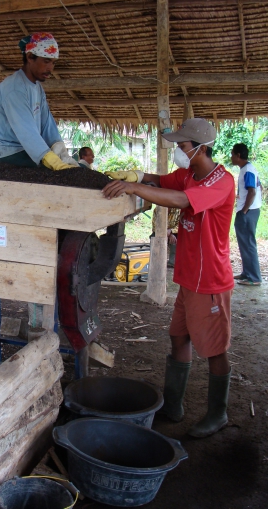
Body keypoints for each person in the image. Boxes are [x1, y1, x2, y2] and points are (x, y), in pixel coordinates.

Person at [103, 118, 235, 438]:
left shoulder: (222, 182)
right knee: (179, 337)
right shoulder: (188, 173)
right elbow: (162, 181)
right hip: (189, 279)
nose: (178, 149)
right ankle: (173, 405)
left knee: (215, 349)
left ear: (200, 149)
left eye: (182, 145)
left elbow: (182, 200)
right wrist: (136, 175)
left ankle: (218, 413)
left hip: (210, 281)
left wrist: (135, 188)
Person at [0, 32, 77, 170]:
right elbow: (26, 130)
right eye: (46, 61)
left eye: (53, 63)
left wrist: (60, 150)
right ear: (30, 57)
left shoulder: (37, 88)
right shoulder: (14, 88)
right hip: (11, 154)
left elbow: (47, 124)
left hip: (30, 151)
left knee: (78, 171)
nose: (50, 68)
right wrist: (50, 159)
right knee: (60, 177)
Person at [230, 143, 262, 286]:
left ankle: (254, 277)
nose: (231, 157)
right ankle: (246, 272)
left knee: (248, 243)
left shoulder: (248, 169)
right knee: (244, 243)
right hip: (249, 209)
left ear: (238, 155)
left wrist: (244, 210)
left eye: (232, 154)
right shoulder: (246, 169)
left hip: (248, 211)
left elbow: (252, 191)